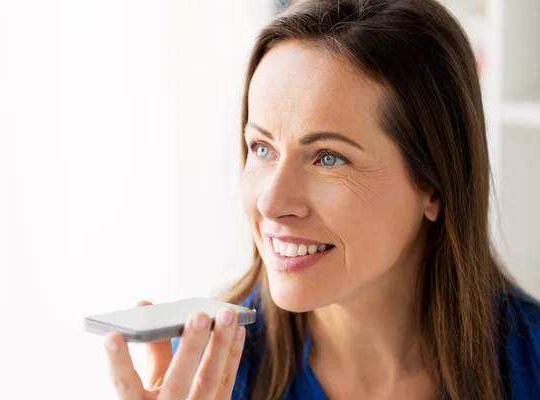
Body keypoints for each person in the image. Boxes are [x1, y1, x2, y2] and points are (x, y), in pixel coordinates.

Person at [102, 0, 540, 398]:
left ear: (436, 185)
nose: (271, 203)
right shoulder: (205, 374)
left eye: (328, 158)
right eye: (262, 148)